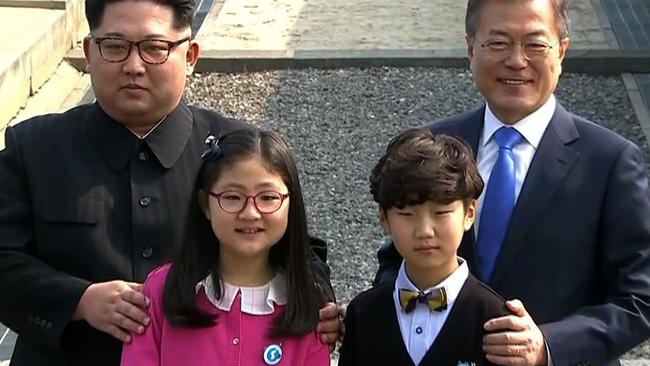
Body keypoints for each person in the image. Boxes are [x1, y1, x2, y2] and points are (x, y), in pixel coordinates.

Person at [0, 0, 338, 364]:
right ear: (88, 51)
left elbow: (298, 248)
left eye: (154, 48)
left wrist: (320, 306)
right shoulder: (34, 147)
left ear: (190, 55)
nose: (133, 66)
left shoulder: (239, 151)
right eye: (114, 46)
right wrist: (78, 300)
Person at [373, 0, 650, 365]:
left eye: (535, 44)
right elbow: (396, 263)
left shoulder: (610, 161)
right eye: (499, 43)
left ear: (561, 51)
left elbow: (640, 296)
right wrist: (366, 316)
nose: (517, 61)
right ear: (472, 48)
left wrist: (548, 345)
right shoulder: (433, 144)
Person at [121, 127, 331, 366]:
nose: (251, 213)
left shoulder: (308, 305)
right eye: (232, 197)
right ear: (205, 204)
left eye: (268, 197)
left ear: (290, 204)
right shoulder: (161, 291)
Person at [338, 128, 511, 365]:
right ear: (384, 218)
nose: (425, 231)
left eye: (441, 213)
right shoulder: (363, 314)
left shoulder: (494, 319)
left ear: (469, 213)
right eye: (407, 214)